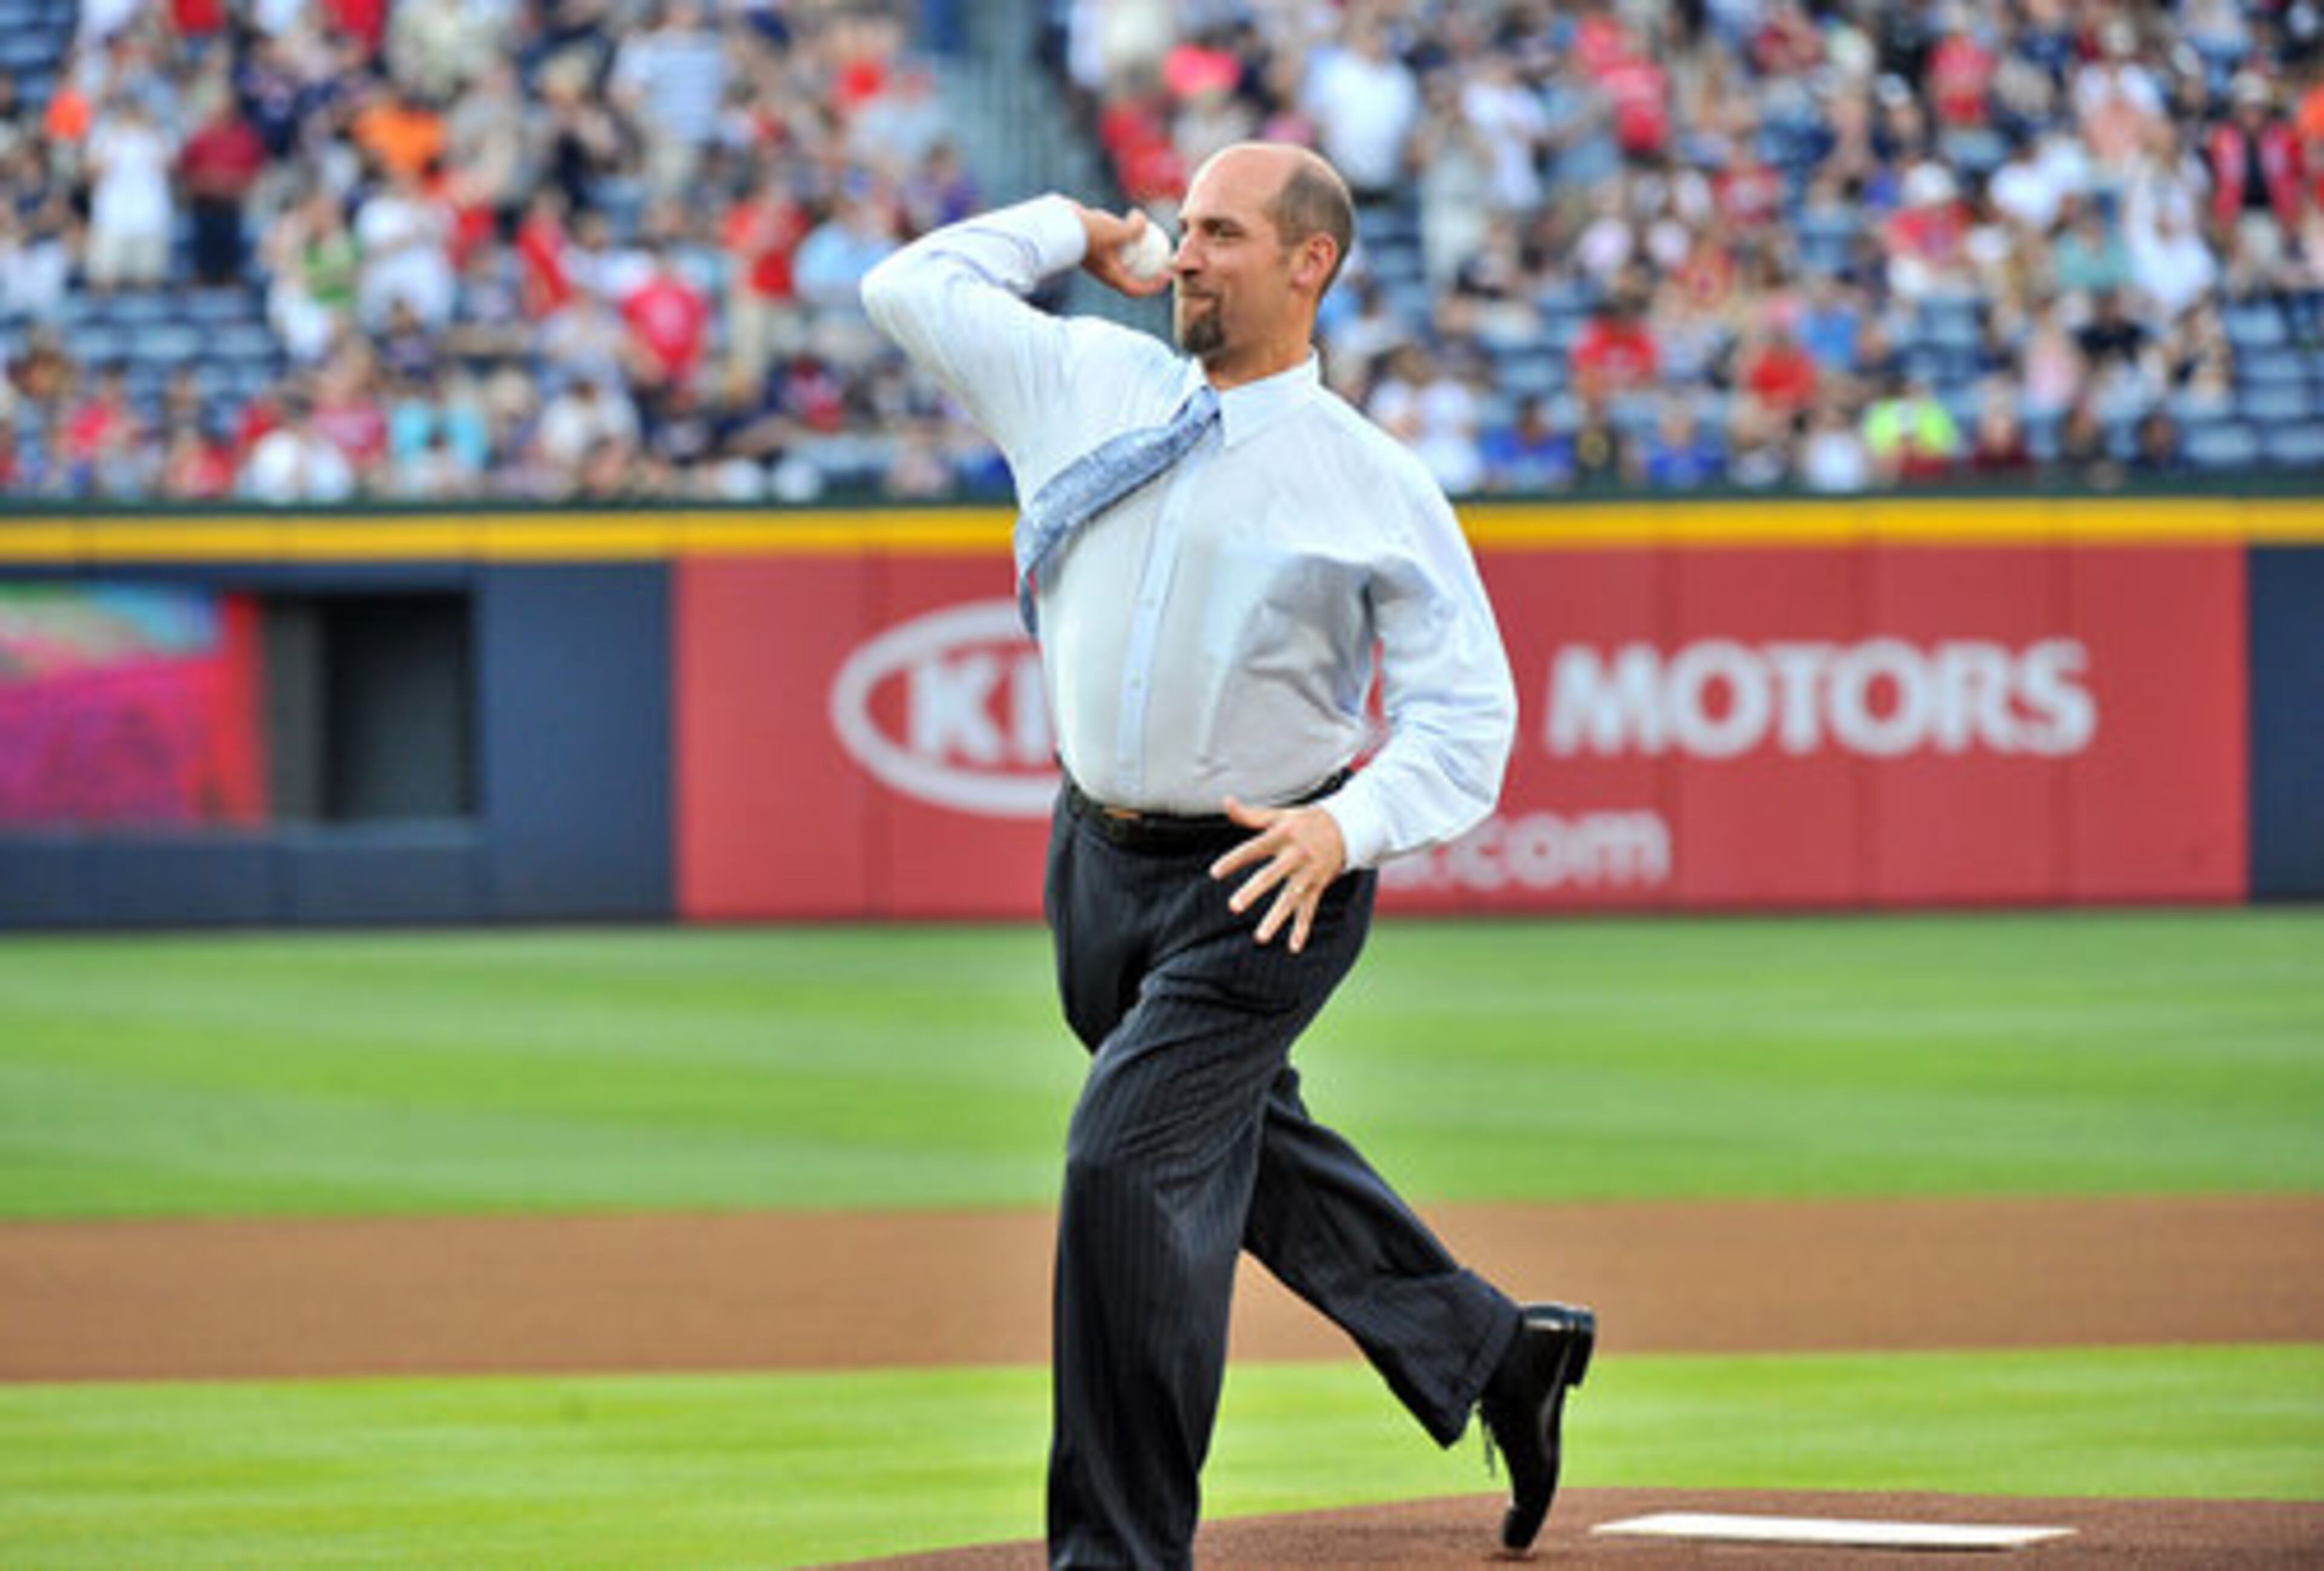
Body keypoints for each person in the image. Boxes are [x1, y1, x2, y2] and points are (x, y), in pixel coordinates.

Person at [862, 141, 1593, 1570]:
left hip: (1269, 879)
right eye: (1186, 228)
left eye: (1225, 234)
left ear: (1311, 263)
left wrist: (1346, 826)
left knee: (1128, 1170)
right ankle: (1494, 1352)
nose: (1188, 255)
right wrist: (1080, 228)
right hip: (1095, 862)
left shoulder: (1370, 483)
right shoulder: (1087, 381)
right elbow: (911, 283)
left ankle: (1118, 1554)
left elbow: (1469, 723)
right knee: (1230, 1145)